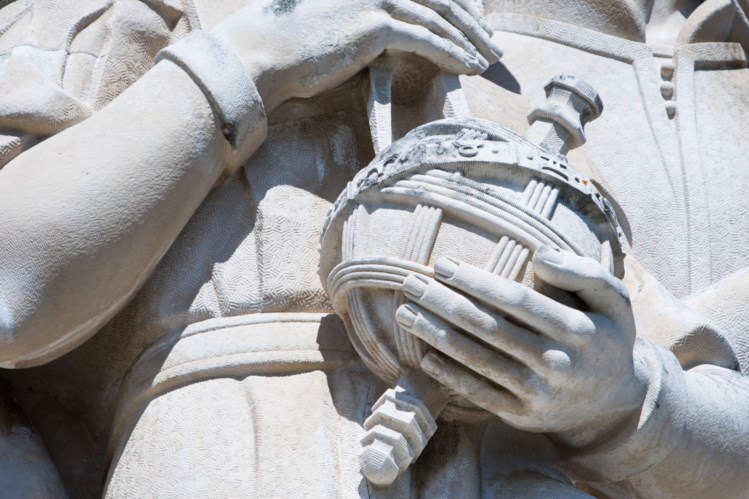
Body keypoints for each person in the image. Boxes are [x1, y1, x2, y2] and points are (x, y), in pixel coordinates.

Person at [0, 0, 746, 497]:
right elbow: (11, 287)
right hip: (234, 458)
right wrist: (254, 54)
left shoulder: (697, 71)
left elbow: (713, 411)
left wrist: (618, 399)